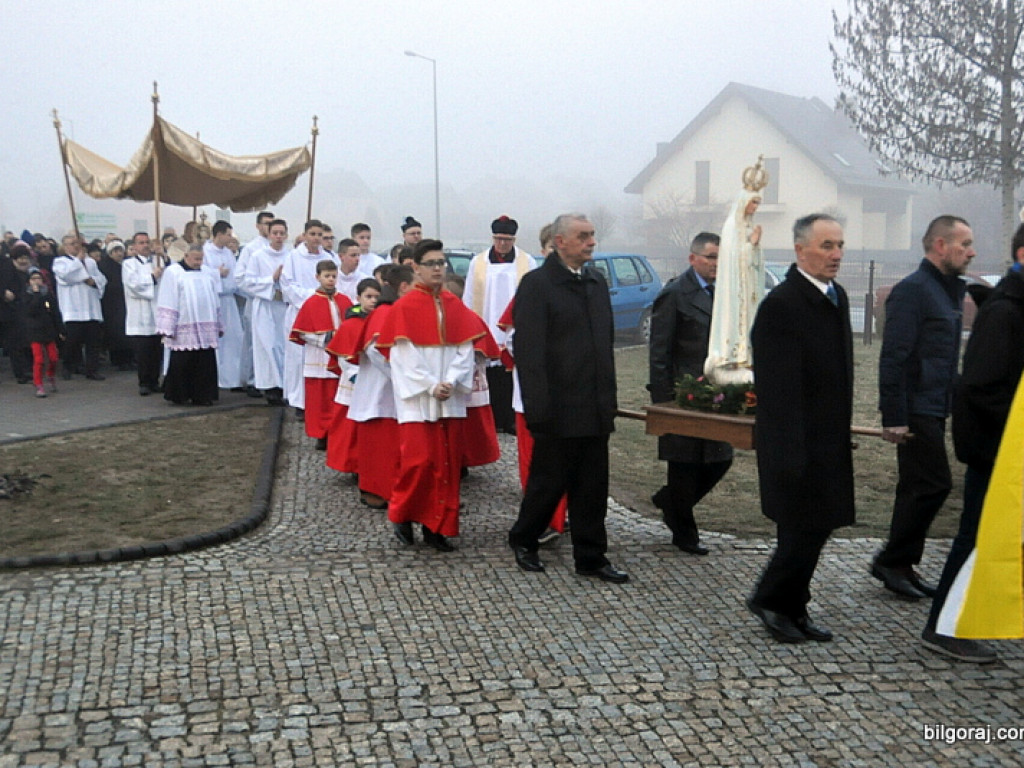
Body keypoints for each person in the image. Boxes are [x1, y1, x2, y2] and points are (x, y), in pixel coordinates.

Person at [746, 213, 853, 644]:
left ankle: (793, 604)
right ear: (800, 250)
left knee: (817, 525)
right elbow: (778, 390)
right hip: (795, 440)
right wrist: (790, 451)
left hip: (828, 436)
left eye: (840, 245)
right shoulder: (782, 306)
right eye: (827, 246)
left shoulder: (836, 296)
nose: (836, 255)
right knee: (800, 527)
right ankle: (773, 600)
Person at [920, 224, 1024, 663]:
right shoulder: (1007, 312)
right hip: (999, 451)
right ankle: (945, 626)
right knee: (978, 537)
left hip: (1011, 450)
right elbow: (980, 388)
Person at [507, 213, 628, 583]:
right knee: (548, 482)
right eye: (583, 236)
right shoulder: (537, 284)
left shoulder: (595, 281)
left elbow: (604, 346)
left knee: (593, 487)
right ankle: (524, 538)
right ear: (560, 242)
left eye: (592, 235)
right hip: (557, 408)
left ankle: (591, 557)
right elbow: (529, 353)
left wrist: (608, 399)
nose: (591, 242)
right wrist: (538, 410)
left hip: (593, 406)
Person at [873, 216, 975, 600]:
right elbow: (893, 358)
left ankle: (900, 564)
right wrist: (894, 417)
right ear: (939, 245)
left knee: (918, 485)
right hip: (914, 407)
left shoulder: (944, 291)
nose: (971, 251)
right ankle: (892, 560)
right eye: (964, 244)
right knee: (934, 483)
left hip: (935, 405)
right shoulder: (915, 291)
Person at [376, 240, 483, 552]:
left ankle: (437, 527)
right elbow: (402, 356)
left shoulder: (454, 305)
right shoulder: (404, 308)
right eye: (431, 263)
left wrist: (449, 381)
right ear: (416, 267)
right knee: (419, 462)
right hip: (418, 398)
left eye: (441, 263)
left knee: (447, 465)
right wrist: (429, 384)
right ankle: (403, 513)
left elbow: (465, 350)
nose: (438, 268)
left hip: (449, 397)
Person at [648, 232, 732, 555]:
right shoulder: (674, 294)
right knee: (684, 465)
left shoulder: (723, 293)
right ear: (693, 258)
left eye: (719, 258)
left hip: (717, 392)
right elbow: (660, 352)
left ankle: (670, 502)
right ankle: (684, 532)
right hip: (683, 395)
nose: (715, 264)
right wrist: (663, 402)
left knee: (720, 459)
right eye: (710, 257)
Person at [463, 215, 537, 434]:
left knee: (512, 375)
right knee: (491, 375)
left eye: (507, 239)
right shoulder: (478, 263)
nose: (503, 244)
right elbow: (468, 296)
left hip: (515, 327)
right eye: (498, 239)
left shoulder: (527, 262)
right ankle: (494, 418)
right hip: (486, 323)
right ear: (493, 238)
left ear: (514, 239)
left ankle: (512, 418)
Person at [704, 159, 766, 386]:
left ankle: (748, 357)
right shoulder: (732, 226)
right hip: (735, 289)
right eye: (753, 203)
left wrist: (755, 247)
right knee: (735, 320)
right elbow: (734, 260)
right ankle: (732, 357)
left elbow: (755, 262)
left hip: (749, 289)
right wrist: (751, 246)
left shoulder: (750, 227)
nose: (755, 208)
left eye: (758, 204)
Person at [289, 259, 352, 449]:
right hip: (318, 357)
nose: (331, 280)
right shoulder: (310, 303)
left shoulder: (345, 300)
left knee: (336, 396)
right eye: (327, 276)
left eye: (333, 276)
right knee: (319, 400)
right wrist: (324, 338)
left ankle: (336, 432)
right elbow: (301, 332)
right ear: (317, 277)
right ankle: (320, 434)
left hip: (339, 357)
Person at [325, 277, 382, 474]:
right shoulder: (350, 324)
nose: (373, 301)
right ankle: (351, 464)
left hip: (374, 381)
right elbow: (342, 355)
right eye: (368, 296)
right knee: (349, 428)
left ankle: (368, 464)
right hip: (353, 381)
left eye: (376, 297)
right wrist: (354, 375)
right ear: (358, 298)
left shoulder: (381, 322)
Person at [155, 243, 223, 406]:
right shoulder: (174, 272)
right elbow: (168, 297)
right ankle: (179, 395)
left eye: (201, 259)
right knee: (182, 361)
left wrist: (218, 322)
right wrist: (167, 326)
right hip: (184, 324)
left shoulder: (207, 273)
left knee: (204, 362)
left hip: (206, 324)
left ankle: (203, 395)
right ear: (186, 256)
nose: (198, 262)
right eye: (195, 259)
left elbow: (214, 298)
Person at [281, 220, 338, 409]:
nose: (316, 238)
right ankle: (299, 401)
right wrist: (314, 297)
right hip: (300, 312)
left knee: (323, 357)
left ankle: (321, 400)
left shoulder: (330, 257)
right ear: (304, 235)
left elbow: (337, 282)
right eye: (312, 234)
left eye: (319, 235)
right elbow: (288, 285)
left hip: (325, 313)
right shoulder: (293, 258)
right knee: (298, 358)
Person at [243, 219, 290, 405]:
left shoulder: (291, 256)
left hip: (284, 307)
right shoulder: (258, 256)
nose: (278, 237)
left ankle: (285, 386)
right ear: (269, 235)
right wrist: (271, 279)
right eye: (275, 233)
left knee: (284, 347)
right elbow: (249, 282)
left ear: (286, 235)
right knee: (268, 346)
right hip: (265, 307)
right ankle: (272, 388)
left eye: (282, 233)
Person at [53, 234, 107, 380]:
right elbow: (66, 277)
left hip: (91, 306)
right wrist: (78, 261)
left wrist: (94, 281)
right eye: (71, 244)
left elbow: (102, 278)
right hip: (74, 308)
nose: (74, 246)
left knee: (93, 341)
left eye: (76, 243)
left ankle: (92, 369)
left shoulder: (90, 262)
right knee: (73, 341)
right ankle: (68, 366)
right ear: (65, 247)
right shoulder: (60, 262)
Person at [234, 211, 275, 398]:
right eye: (266, 223)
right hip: (257, 302)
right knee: (253, 342)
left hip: (277, 304)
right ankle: (251, 379)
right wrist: (261, 290)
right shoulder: (251, 249)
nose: (269, 227)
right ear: (258, 226)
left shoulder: (280, 249)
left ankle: (274, 380)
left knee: (275, 343)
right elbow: (240, 278)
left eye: (272, 224)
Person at [123, 232, 168, 395]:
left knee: (157, 350)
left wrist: (164, 257)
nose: (145, 245)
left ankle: (155, 380)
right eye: (141, 243)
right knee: (144, 351)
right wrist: (152, 277)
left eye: (147, 242)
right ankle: (144, 382)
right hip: (139, 312)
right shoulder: (129, 264)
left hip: (156, 310)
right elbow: (133, 286)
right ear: (134, 247)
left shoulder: (158, 261)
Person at [203, 220, 245, 390]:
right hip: (214, 302)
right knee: (216, 341)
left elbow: (236, 275)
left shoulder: (228, 253)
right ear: (219, 234)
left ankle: (233, 378)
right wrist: (216, 274)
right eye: (228, 234)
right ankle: (216, 378)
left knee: (234, 339)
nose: (230, 238)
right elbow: (200, 274)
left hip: (229, 301)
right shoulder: (205, 251)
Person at [24, 267, 65, 396]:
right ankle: (38, 384)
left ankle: (50, 375)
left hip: (48, 330)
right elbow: (31, 311)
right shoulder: (26, 295)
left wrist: (61, 329)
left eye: (39, 278)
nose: (36, 281)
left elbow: (55, 312)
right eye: (33, 278)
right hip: (34, 331)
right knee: (39, 359)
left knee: (53, 357)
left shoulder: (48, 294)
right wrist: (36, 294)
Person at [97, 240, 132, 370]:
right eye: (115, 251)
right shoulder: (105, 266)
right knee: (115, 332)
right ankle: (118, 360)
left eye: (120, 251)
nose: (119, 254)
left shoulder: (125, 265)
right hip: (111, 303)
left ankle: (128, 358)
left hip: (124, 302)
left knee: (125, 332)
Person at [334, 238, 363, 303]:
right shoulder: (332, 277)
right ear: (341, 256)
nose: (357, 259)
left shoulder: (364, 279)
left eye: (358, 255)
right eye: (353, 255)